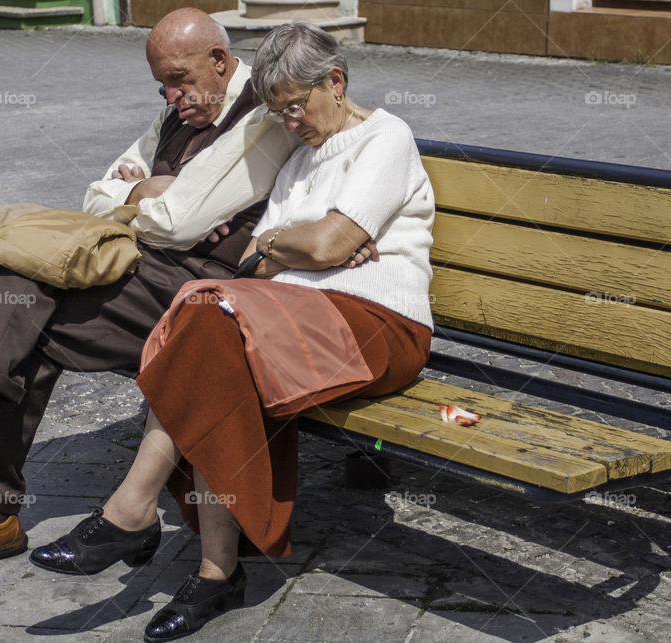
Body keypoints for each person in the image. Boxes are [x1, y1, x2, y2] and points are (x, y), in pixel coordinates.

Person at [0, 7, 295, 578]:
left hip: (202, 299)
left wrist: (140, 198)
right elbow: (96, 195)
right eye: (161, 82)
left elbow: (183, 223)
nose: (171, 93)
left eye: (180, 78)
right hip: (141, 275)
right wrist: (147, 193)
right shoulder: (177, 112)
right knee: (20, 313)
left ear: (219, 60)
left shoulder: (258, 116)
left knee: (21, 285)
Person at [29, 23, 435, 641]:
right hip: (293, 315)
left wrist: (305, 245)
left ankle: (136, 514)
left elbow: (327, 244)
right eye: (277, 112)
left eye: (297, 106)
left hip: (381, 323)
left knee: (209, 322)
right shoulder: (299, 155)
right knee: (205, 328)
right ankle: (213, 573)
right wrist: (293, 246)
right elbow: (260, 262)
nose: (291, 123)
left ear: (337, 80)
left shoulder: (386, 138)